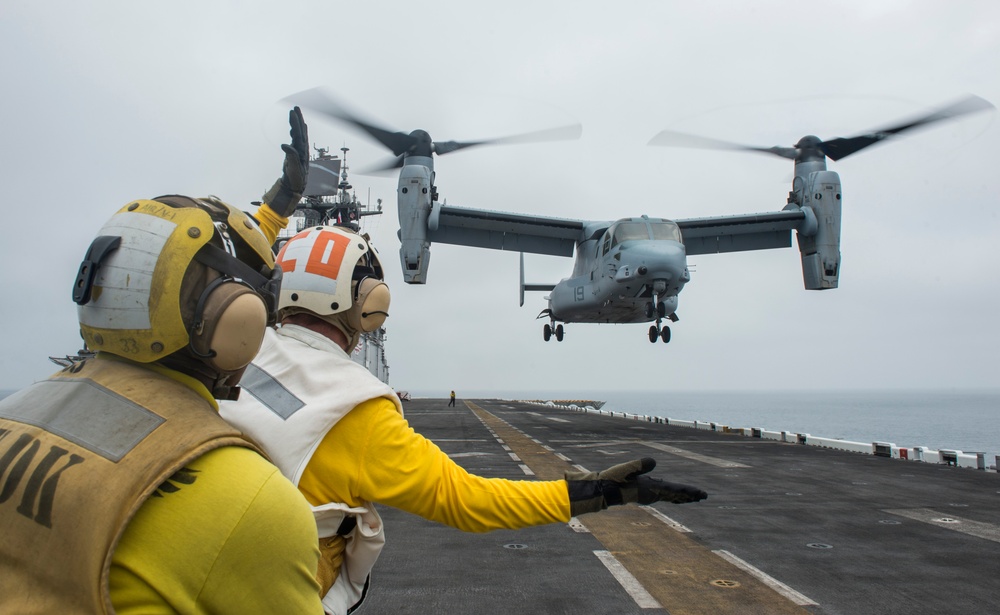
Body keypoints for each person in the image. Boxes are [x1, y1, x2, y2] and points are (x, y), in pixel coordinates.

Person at [220, 224, 708, 615]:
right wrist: (597, 492)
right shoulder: (356, 411)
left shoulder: (225, 354)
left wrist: (273, 210)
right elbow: (466, 501)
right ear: (366, 302)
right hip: (280, 592)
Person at [0, 108, 326, 614]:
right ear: (238, 321)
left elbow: (196, 268)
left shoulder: (15, 415)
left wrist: (279, 204)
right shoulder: (249, 502)